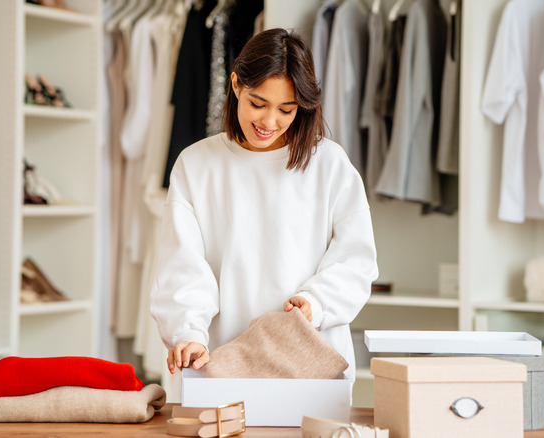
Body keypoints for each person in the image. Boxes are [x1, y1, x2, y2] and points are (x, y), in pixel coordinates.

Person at [150, 28, 378, 379]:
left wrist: (316, 303)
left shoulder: (329, 164)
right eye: (258, 103)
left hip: (311, 360)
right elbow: (182, 264)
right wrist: (188, 332)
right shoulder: (196, 165)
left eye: (286, 109)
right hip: (222, 361)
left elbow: (357, 260)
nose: (269, 122)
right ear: (236, 84)